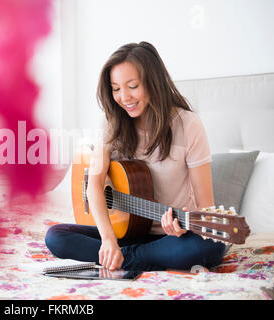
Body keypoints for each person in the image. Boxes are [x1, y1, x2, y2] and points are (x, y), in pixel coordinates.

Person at [45, 41, 226, 272]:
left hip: (174, 238)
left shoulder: (188, 125)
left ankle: (125, 258)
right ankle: (128, 256)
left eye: (132, 86)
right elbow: (95, 185)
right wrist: (109, 239)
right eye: (116, 88)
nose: (124, 97)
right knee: (56, 236)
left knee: (212, 244)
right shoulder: (112, 124)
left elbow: (206, 208)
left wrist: (183, 225)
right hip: (125, 233)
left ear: (153, 82)